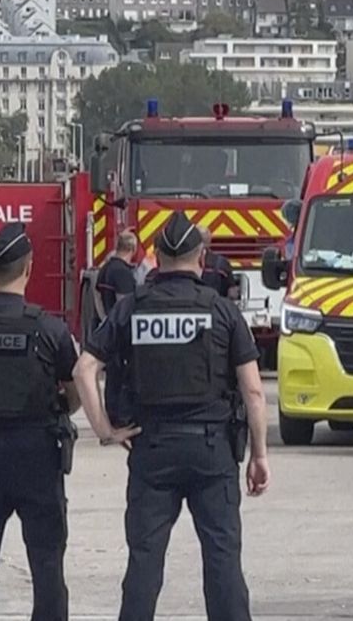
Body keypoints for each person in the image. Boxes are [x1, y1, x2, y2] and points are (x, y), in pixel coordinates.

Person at [73, 212, 270, 621]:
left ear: (157, 257)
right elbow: (253, 389)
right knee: (222, 562)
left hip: (152, 449)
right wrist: (259, 455)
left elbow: (84, 369)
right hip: (212, 451)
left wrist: (106, 432)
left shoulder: (131, 308)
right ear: (202, 258)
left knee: (144, 563)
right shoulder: (222, 311)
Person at [0, 222, 83, 621]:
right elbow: (76, 390)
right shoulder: (50, 329)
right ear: (28, 268)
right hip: (37, 456)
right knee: (47, 565)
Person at [96, 231, 139, 322]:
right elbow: (125, 307)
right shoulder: (122, 273)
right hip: (118, 328)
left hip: (107, 323)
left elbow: (99, 300)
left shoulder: (104, 268)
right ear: (133, 249)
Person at [196, 225, 239, 300]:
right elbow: (232, 294)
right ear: (210, 241)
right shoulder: (222, 263)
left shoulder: (183, 262)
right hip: (215, 308)